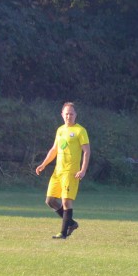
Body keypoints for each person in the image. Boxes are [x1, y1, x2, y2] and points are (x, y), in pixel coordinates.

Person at [35, 102, 90, 239]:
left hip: (70, 172)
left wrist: (83, 170)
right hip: (58, 171)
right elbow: (54, 149)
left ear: (76, 115)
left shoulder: (80, 131)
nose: (68, 116)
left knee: (66, 201)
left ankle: (63, 233)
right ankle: (71, 223)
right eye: (66, 114)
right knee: (50, 200)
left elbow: (86, 151)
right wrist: (43, 164)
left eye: (71, 114)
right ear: (62, 114)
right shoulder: (60, 130)